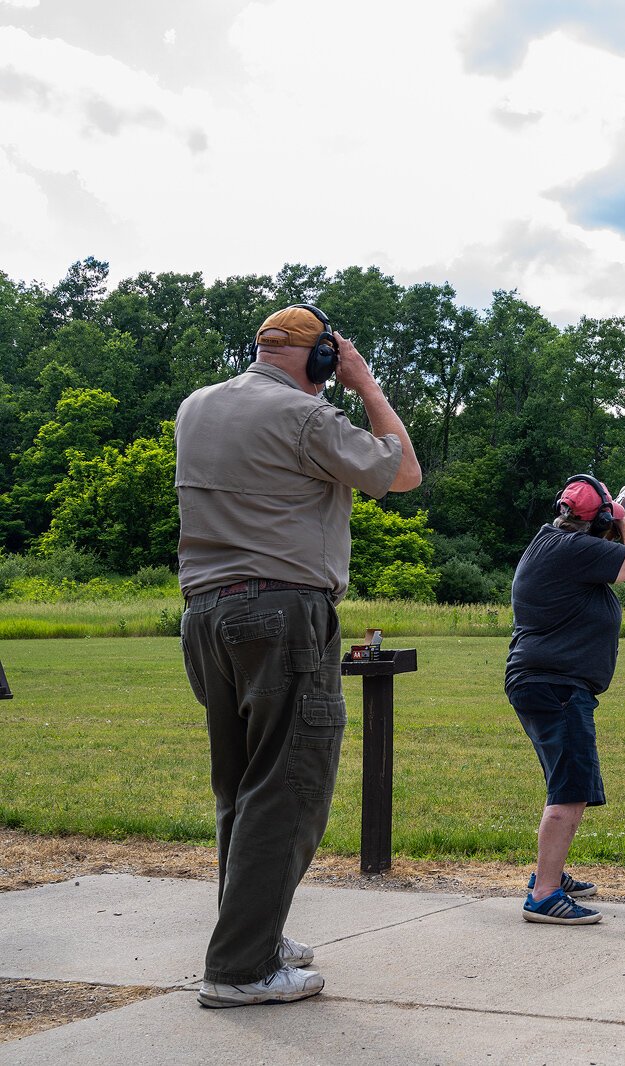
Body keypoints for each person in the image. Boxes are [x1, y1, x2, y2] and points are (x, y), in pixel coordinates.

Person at [176, 304, 421, 1007]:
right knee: (289, 788)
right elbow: (402, 472)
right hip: (282, 612)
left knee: (241, 790)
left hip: (205, 614)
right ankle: (240, 969)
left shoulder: (195, 407)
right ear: (320, 360)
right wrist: (365, 384)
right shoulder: (306, 416)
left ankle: (254, 937)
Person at [505, 473, 625, 925]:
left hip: (547, 682)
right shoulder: (570, 550)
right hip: (556, 685)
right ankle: (544, 895)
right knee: (570, 790)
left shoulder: (557, 543)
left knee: (567, 784)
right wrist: (624, 520)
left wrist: (618, 512)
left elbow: (599, 546)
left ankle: (548, 874)